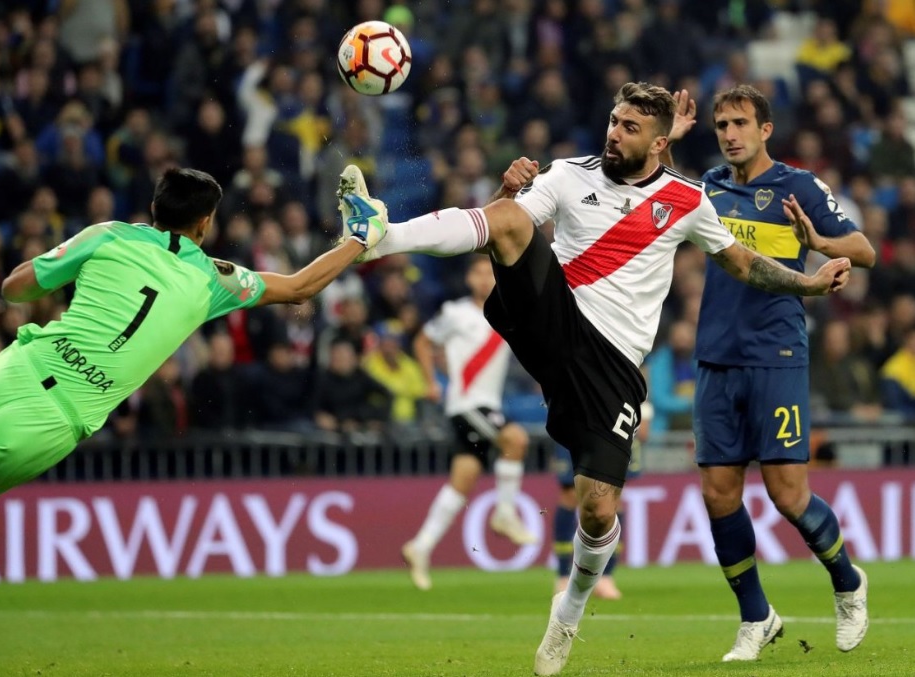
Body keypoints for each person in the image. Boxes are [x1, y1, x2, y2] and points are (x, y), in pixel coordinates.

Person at [336, 81, 851, 676]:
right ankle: (380, 234)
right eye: (613, 120)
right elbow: (503, 224)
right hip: (557, 318)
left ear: (658, 144)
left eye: (630, 128)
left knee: (598, 508)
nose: (613, 133)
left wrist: (809, 284)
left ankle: (568, 612)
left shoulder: (687, 200)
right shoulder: (567, 173)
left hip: (613, 366)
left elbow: (742, 262)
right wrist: (504, 195)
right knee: (506, 220)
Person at [0, 167, 385, 502]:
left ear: (155, 207)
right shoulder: (214, 279)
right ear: (206, 222)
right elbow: (300, 286)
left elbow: (15, 287)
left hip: (12, 369)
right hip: (52, 417)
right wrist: (358, 238)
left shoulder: (107, 234)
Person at [663, 84, 875, 661]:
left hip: (776, 355)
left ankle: (848, 582)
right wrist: (669, 146)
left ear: (765, 129)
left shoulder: (798, 185)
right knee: (718, 494)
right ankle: (756, 616)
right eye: (721, 124)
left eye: (738, 123)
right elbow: (652, 195)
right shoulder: (707, 185)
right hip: (715, 357)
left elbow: (864, 249)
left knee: (787, 494)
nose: (729, 134)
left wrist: (818, 242)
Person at [401, 254, 535, 591]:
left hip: (485, 404)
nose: (484, 278)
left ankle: (421, 545)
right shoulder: (455, 313)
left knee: (464, 478)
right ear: (469, 279)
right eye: (478, 272)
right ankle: (504, 513)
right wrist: (432, 381)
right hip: (467, 404)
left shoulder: (507, 312)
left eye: (490, 272)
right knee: (516, 439)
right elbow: (422, 341)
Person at [552, 399, 651, 601]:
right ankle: (563, 575)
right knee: (570, 495)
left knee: (612, 497)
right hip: (574, 412)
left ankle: (606, 576)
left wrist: (645, 410)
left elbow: (639, 371)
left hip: (617, 414)